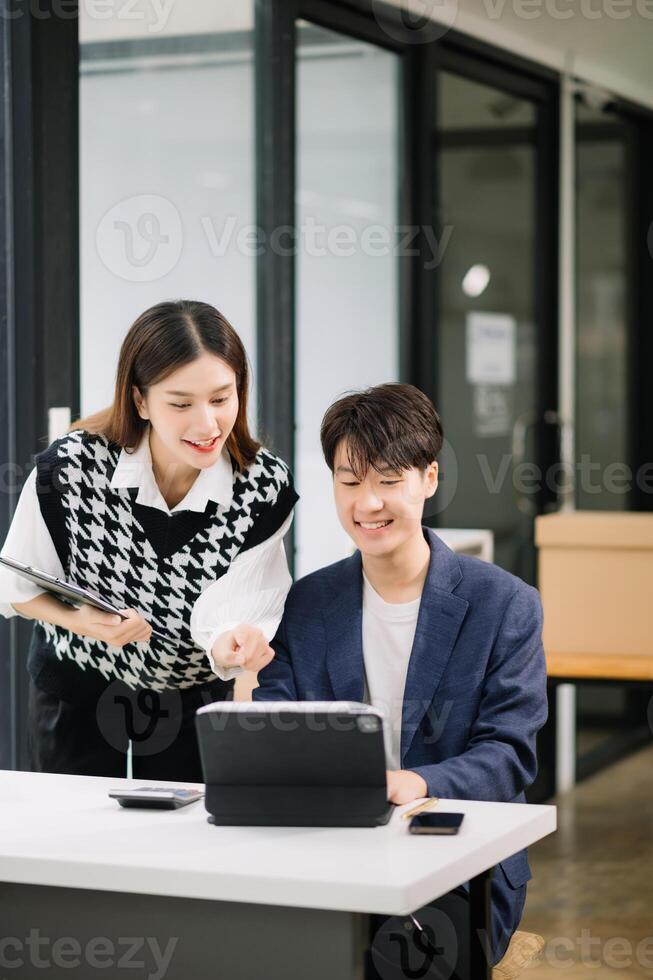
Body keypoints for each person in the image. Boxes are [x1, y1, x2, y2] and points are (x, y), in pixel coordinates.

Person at [253, 382, 547, 976]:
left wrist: (417, 781)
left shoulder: (503, 604)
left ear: (429, 478)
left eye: (389, 481)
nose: (368, 503)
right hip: (332, 851)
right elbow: (273, 726)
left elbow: (509, 753)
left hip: (458, 860)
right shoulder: (307, 602)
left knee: (392, 951)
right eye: (349, 480)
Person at [0, 300, 297, 780]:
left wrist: (231, 646)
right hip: (79, 694)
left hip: (193, 705)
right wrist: (84, 623)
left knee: (182, 846)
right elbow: (14, 587)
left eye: (222, 399)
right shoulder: (73, 468)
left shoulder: (263, 487)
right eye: (181, 404)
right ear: (140, 401)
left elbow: (240, 606)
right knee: (79, 841)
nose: (207, 425)